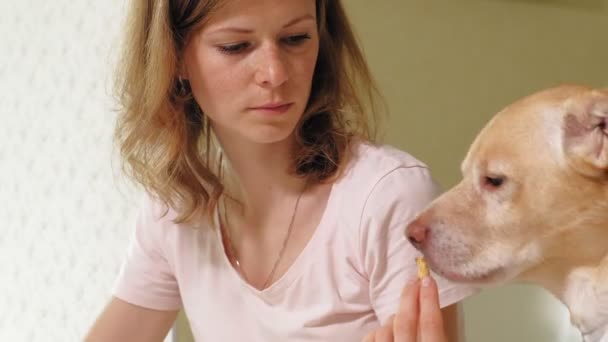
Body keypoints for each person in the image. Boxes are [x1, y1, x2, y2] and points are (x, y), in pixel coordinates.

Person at [86, 0, 476, 341]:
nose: (275, 73)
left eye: (296, 39)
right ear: (174, 57)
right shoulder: (176, 207)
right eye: (236, 46)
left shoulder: (388, 198)